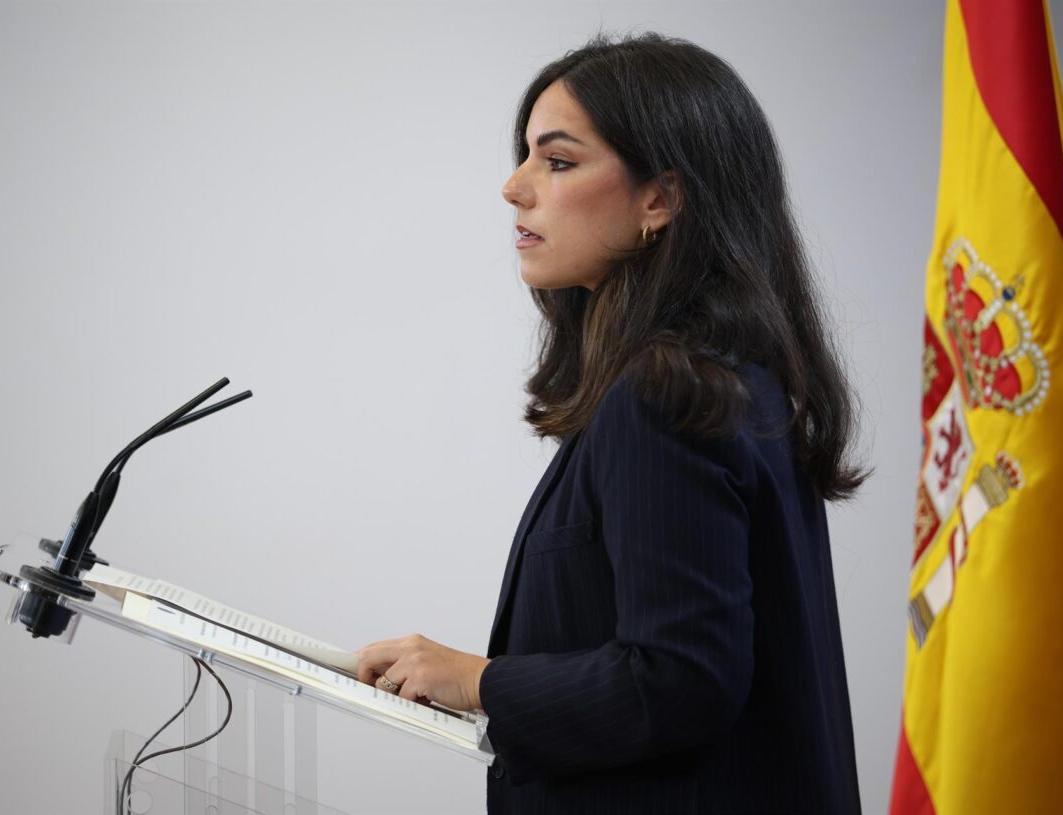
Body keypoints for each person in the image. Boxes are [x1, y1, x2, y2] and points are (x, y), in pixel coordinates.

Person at [357, 32, 864, 814]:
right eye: (526, 155)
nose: (514, 187)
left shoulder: (665, 393)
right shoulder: (727, 377)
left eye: (557, 161)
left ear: (659, 198)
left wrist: (473, 677)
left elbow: (683, 676)